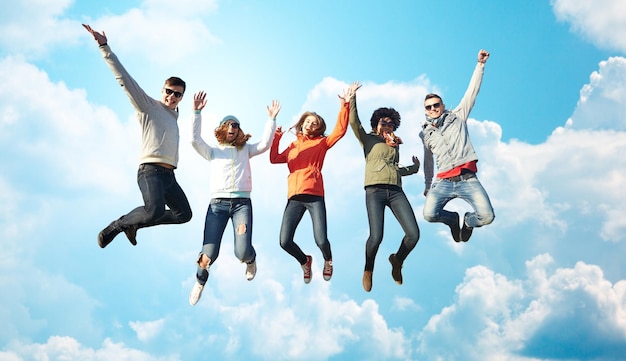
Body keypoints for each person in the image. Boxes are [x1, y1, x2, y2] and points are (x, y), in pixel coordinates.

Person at [83, 24, 193, 248]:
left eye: (177, 94)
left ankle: (135, 224)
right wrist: (105, 47)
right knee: (154, 211)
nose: (172, 97)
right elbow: (124, 79)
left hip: (169, 176)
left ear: (181, 97)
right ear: (162, 90)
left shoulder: (175, 117)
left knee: (184, 215)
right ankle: (117, 226)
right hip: (150, 171)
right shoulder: (148, 106)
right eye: (169, 92)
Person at [188, 92, 280, 306]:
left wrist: (271, 120)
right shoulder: (212, 151)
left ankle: (251, 260)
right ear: (222, 129)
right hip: (217, 206)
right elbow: (193, 139)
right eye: (228, 125)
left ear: (239, 131)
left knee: (241, 251)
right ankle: (200, 282)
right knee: (208, 254)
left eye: (236, 126)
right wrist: (196, 112)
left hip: (241, 206)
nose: (232, 128)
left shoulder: (245, 150)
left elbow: (266, 143)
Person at [269, 84, 356, 284]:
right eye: (308, 121)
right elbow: (274, 159)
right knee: (284, 241)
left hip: (315, 196)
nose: (310, 124)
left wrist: (345, 104)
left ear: (319, 128)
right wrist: (277, 138)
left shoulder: (321, 143)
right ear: (302, 124)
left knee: (321, 240)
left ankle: (328, 260)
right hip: (294, 197)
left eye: (314, 123)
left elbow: (340, 131)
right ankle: (304, 261)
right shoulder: (293, 146)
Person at [348, 82, 421, 292]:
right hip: (374, 191)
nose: (387, 126)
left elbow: (394, 168)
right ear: (376, 124)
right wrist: (352, 98)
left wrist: (414, 168)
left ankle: (397, 261)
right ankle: (368, 269)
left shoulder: (394, 145)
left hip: (396, 191)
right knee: (376, 236)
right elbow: (354, 122)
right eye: (383, 122)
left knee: (413, 234)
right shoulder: (368, 139)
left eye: (391, 124)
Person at [420, 49, 495, 243]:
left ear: (443, 105)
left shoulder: (457, 116)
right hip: (443, 182)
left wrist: (480, 65)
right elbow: (428, 161)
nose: (433, 109)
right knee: (429, 215)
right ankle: (453, 219)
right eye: (429, 107)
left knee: (487, 217)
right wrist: (428, 185)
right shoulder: (425, 133)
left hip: (467, 180)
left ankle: (468, 222)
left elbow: (472, 92)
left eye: (436, 105)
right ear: (425, 110)